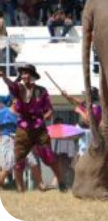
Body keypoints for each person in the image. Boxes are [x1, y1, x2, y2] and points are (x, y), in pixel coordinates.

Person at [0, 64, 63, 192]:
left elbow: (49, 108)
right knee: (15, 161)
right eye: (22, 73)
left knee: (45, 157)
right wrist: (4, 77)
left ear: (33, 76)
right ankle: (20, 189)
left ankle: (56, 182)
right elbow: (11, 85)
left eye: (27, 73)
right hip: (19, 132)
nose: (25, 76)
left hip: (38, 128)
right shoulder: (17, 91)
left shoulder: (42, 91)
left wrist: (48, 114)